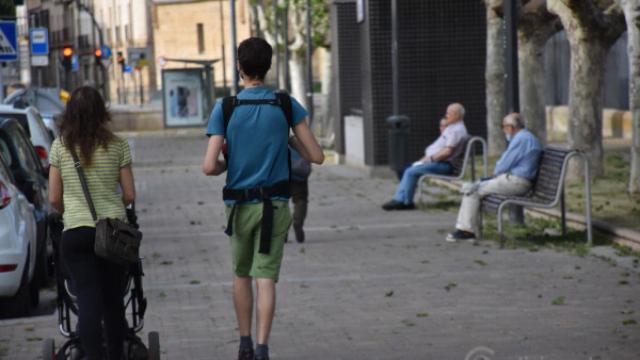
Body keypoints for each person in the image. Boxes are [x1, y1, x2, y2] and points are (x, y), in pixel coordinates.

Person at [202, 37, 324, 360]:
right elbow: (316, 155)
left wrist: (229, 164)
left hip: (239, 207)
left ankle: (243, 343)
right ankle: (262, 348)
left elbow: (208, 165)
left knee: (241, 274)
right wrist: (289, 142)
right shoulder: (285, 105)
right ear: (268, 67)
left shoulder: (226, 108)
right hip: (276, 206)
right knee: (265, 279)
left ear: (239, 67)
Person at [48, 86, 135, 360]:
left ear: (69, 113)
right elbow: (130, 195)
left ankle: (92, 355)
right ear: (102, 112)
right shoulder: (118, 145)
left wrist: (69, 213)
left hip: (75, 233)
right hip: (111, 232)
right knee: (112, 300)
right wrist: (115, 208)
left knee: (87, 298)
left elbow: (53, 197)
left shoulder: (59, 146)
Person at [446, 113, 542, 242]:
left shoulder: (521, 139)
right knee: (475, 186)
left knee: (472, 189)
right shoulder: (526, 137)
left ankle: (466, 231)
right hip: (515, 180)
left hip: (517, 182)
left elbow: (503, 164)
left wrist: (496, 172)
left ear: (511, 127)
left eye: (503, 126)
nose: (503, 130)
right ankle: (467, 229)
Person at [382, 103, 468, 210]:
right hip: (440, 162)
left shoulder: (457, 130)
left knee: (410, 171)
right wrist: (424, 160)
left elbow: (447, 152)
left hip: (446, 165)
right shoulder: (453, 128)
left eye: (449, 113)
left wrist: (430, 159)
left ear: (457, 115)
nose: (446, 115)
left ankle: (402, 200)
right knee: (408, 169)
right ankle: (405, 200)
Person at [289, 146, 312, 243]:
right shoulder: (303, 131)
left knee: (279, 200)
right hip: (300, 173)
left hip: (282, 173)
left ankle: (282, 230)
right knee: (300, 200)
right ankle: (298, 222)